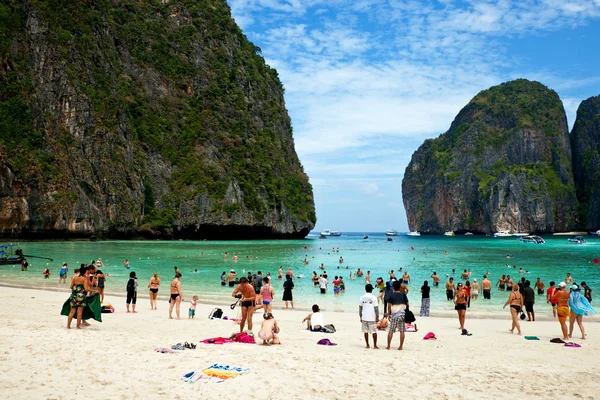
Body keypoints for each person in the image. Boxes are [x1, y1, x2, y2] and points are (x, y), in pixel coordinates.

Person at [386, 280, 409, 350]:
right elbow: (408, 304)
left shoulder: (391, 295)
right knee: (402, 331)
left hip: (394, 315)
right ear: (399, 287)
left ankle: (388, 346)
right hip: (402, 314)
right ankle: (401, 346)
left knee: (391, 331)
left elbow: (389, 307)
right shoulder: (403, 294)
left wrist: (388, 315)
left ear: (393, 287)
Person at [359, 284, 380, 349]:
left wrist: (360, 316)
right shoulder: (374, 298)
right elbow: (376, 308)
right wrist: (377, 317)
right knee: (374, 331)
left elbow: (360, 308)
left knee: (365, 331)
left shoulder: (361, 297)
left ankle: (367, 345)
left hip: (364, 316)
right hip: (372, 317)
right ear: (371, 290)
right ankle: (375, 345)